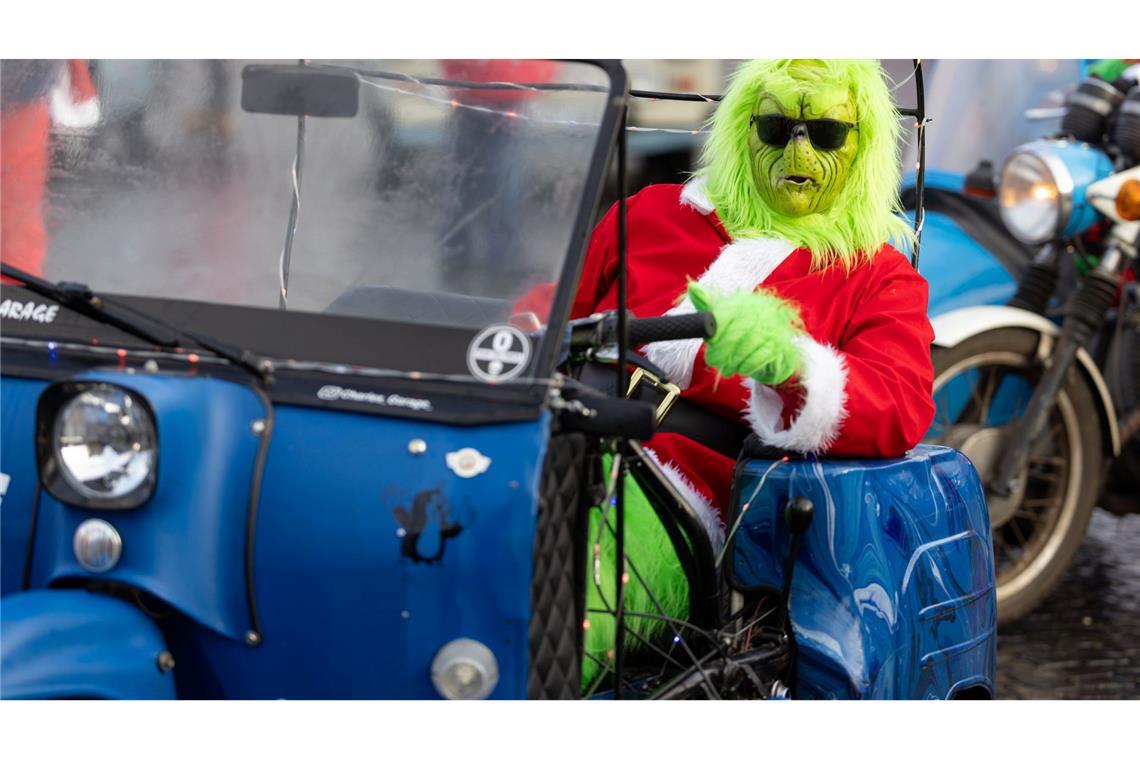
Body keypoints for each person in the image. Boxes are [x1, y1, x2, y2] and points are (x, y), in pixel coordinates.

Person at [517, 59, 936, 689]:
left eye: (824, 133)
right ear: (743, 128)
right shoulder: (653, 211)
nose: (799, 149)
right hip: (548, 433)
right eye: (775, 127)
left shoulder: (875, 275)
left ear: (863, 147)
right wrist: (503, 324)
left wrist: (790, 366)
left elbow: (900, 404)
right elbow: (555, 308)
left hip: (683, 493)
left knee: (538, 601)